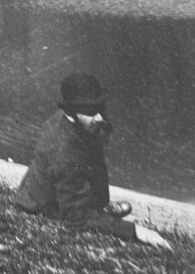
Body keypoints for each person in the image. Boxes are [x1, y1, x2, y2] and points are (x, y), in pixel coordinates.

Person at [14, 72, 172, 250]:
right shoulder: (64, 150)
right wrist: (133, 231)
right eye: (90, 112)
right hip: (41, 209)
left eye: (101, 108)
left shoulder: (73, 123)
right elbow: (76, 218)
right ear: (70, 113)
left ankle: (98, 208)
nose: (99, 117)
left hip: (56, 193)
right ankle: (97, 212)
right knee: (84, 216)